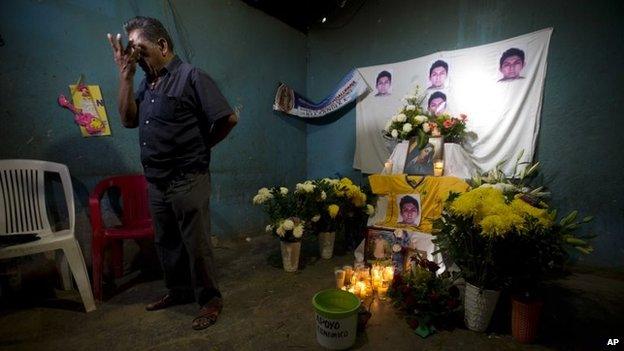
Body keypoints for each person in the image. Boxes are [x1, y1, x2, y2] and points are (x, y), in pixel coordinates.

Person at [107, 16, 238, 331]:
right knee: (167, 242)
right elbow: (127, 120)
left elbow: (228, 119)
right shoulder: (145, 83)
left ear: (162, 45)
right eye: (131, 51)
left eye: (139, 50)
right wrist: (125, 76)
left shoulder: (193, 77)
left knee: (197, 244)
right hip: (157, 182)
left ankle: (210, 300)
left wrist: (200, 148)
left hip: (187, 178)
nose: (134, 56)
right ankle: (179, 292)